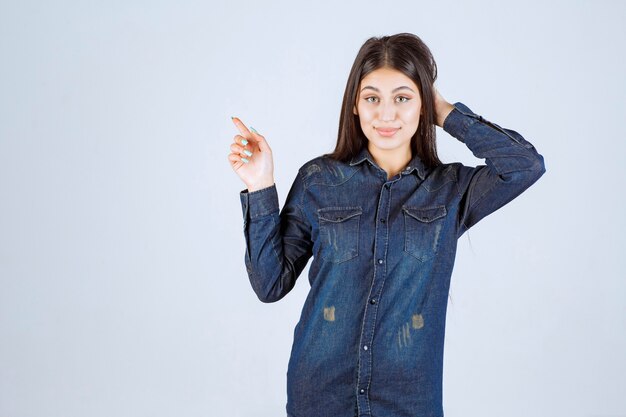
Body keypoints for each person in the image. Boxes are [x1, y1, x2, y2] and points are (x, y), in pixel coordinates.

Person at [227, 32, 546, 417]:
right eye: (372, 98)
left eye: (403, 98)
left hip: (408, 402)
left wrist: (446, 112)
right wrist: (261, 185)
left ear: (422, 105)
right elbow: (270, 284)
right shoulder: (319, 181)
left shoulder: (450, 190)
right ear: (356, 106)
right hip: (321, 397)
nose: (386, 114)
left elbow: (524, 166)